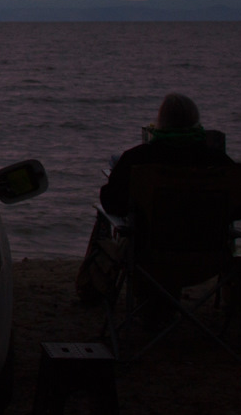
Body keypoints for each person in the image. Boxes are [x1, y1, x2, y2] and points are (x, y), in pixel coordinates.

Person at [76, 92, 232, 303]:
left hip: (150, 259)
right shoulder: (220, 163)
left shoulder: (138, 159)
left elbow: (111, 202)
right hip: (211, 260)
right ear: (196, 122)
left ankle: (134, 305)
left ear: (160, 123)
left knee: (117, 229)